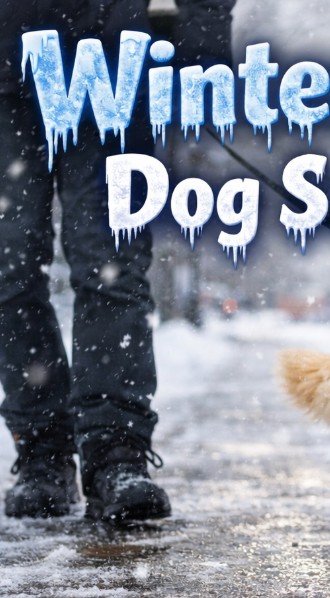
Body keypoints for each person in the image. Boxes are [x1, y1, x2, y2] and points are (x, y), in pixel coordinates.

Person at [0, 0, 233, 522]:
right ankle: (42, 453)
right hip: (6, 66)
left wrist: (205, 51)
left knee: (110, 266)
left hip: (111, 62)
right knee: (9, 270)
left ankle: (116, 453)